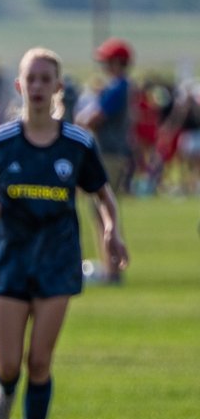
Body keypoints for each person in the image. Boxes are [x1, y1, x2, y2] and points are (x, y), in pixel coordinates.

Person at [0, 47, 129, 419]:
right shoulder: (1, 141)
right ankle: (4, 390)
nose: (39, 86)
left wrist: (113, 230)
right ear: (20, 85)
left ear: (58, 87)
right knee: (8, 364)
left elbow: (102, 193)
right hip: (10, 260)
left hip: (57, 261)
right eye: (32, 78)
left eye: (47, 79)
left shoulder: (77, 142)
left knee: (39, 361)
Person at [83, 38, 134, 282]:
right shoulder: (118, 86)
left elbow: (94, 118)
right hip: (113, 153)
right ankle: (109, 266)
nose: (103, 64)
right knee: (103, 210)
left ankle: (112, 270)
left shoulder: (117, 87)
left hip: (109, 154)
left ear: (117, 62)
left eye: (106, 60)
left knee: (104, 210)